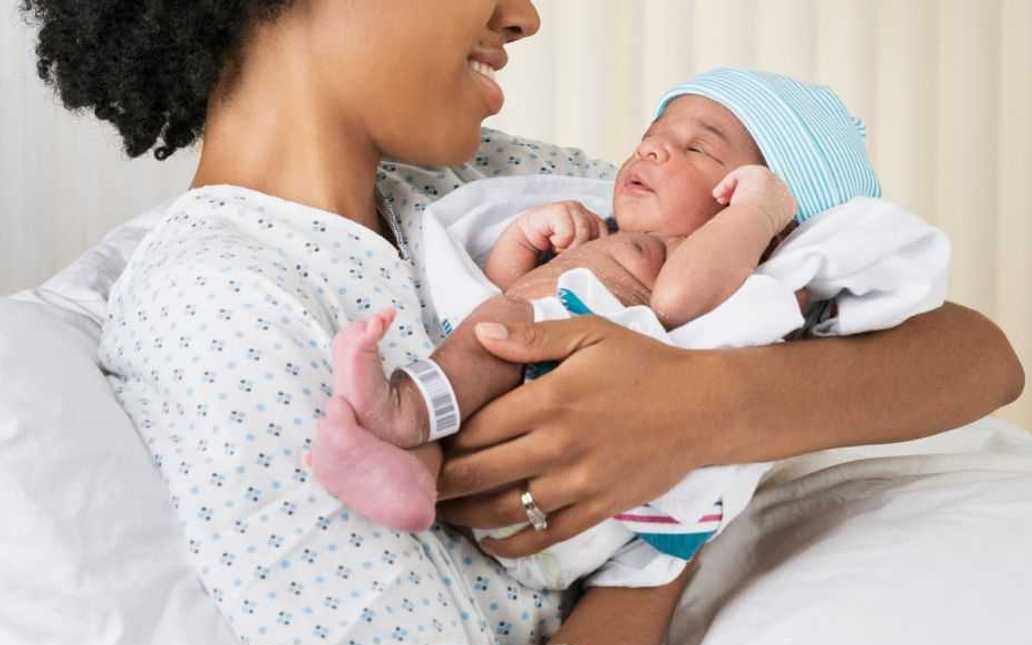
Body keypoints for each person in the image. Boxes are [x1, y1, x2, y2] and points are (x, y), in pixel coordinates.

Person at [22, 1, 1023, 645]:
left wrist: (702, 411)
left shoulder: (490, 181)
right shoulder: (224, 306)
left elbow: (976, 357)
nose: (525, 14)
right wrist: (661, 557)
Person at [312, 68, 951, 592]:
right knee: (498, 332)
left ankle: (404, 408)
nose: (651, 149)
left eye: (698, 149)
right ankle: (410, 472)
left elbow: (677, 301)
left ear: (769, 211)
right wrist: (523, 242)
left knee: (502, 334)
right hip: (515, 385)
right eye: (652, 135)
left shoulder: (712, 265)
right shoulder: (612, 233)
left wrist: (756, 214)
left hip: (564, 415)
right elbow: (501, 291)